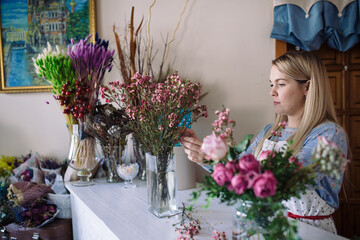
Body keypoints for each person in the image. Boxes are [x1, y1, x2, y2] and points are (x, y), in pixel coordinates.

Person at [180, 51, 349, 234]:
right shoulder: (270, 131)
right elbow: (239, 169)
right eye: (271, 84)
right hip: (266, 227)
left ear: (307, 87)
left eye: (281, 84)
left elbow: (288, 179)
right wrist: (206, 155)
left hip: (308, 232)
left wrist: (221, 158)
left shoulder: (329, 134)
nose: (272, 91)